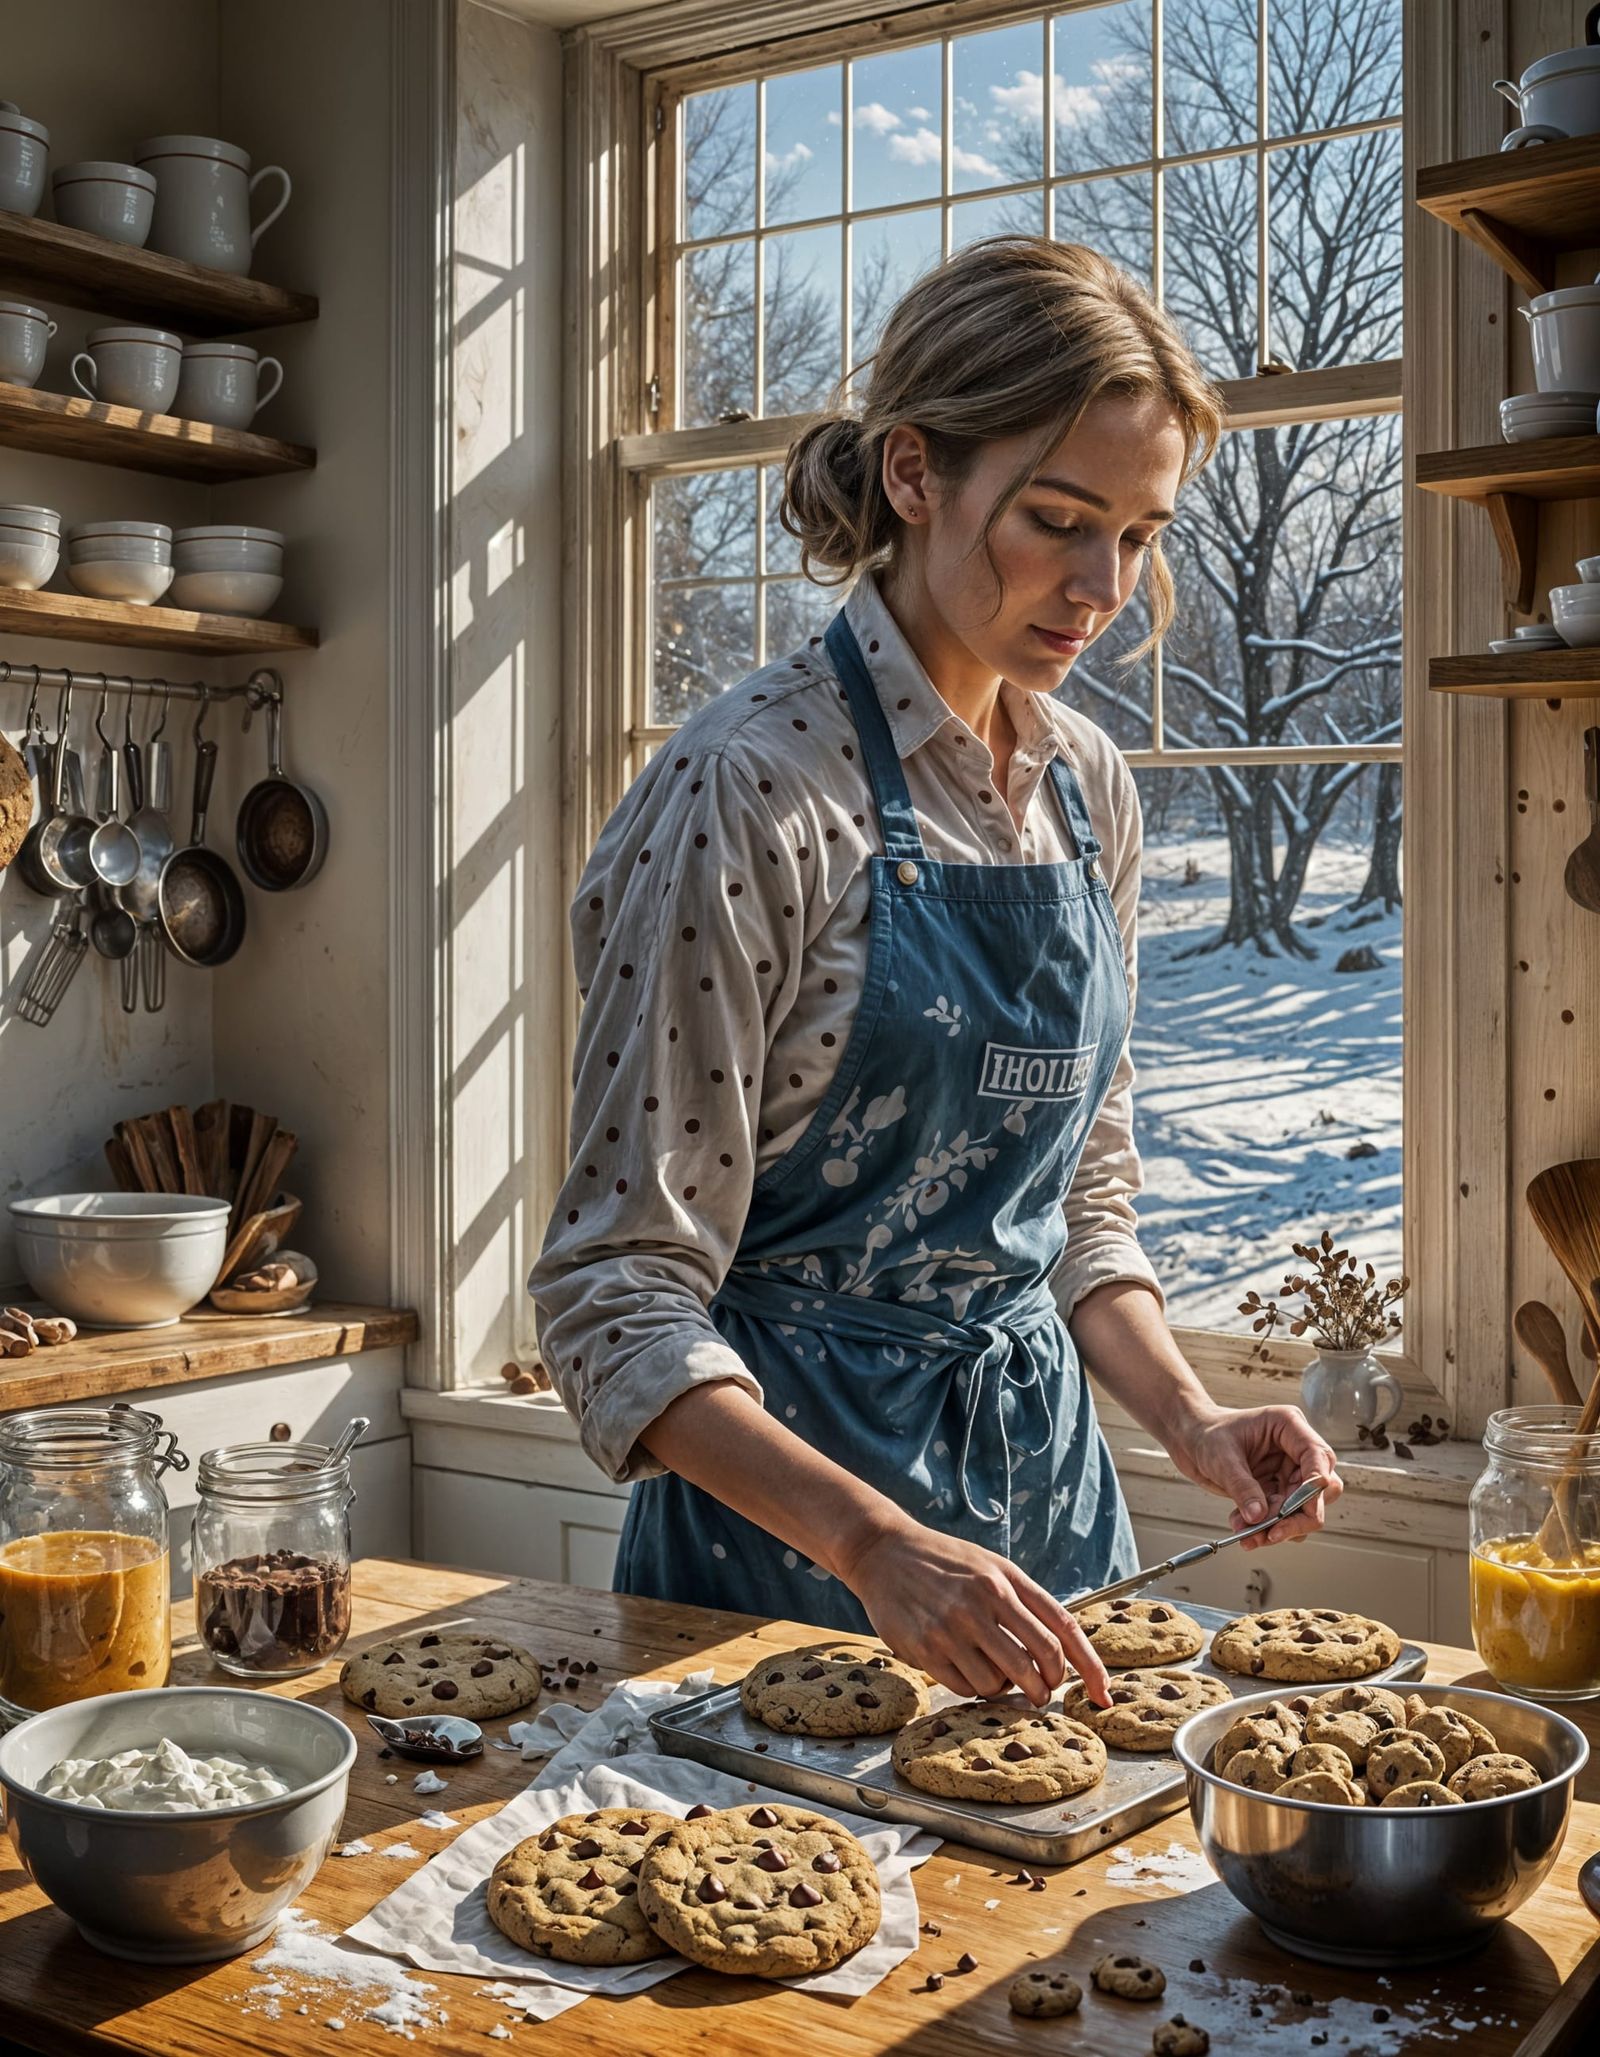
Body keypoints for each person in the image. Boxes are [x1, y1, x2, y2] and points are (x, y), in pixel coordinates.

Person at [530, 237, 1341, 1711]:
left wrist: (1190, 1417)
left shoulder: (1089, 785)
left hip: (1052, 1524)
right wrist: (877, 1541)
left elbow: (1075, 1190)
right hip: (788, 1558)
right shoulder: (752, 788)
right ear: (914, 473)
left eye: (1143, 535)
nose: (1103, 586)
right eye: (1058, 519)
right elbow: (615, 1291)